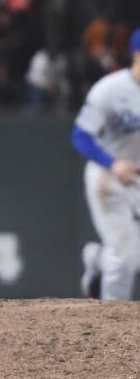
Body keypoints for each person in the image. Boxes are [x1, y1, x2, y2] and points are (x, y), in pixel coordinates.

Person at [70, 28, 140, 301]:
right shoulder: (110, 89)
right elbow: (80, 136)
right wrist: (112, 163)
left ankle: (97, 260)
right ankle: (110, 320)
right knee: (122, 257)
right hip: (108, 175)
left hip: (136, 177)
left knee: (133, 258)